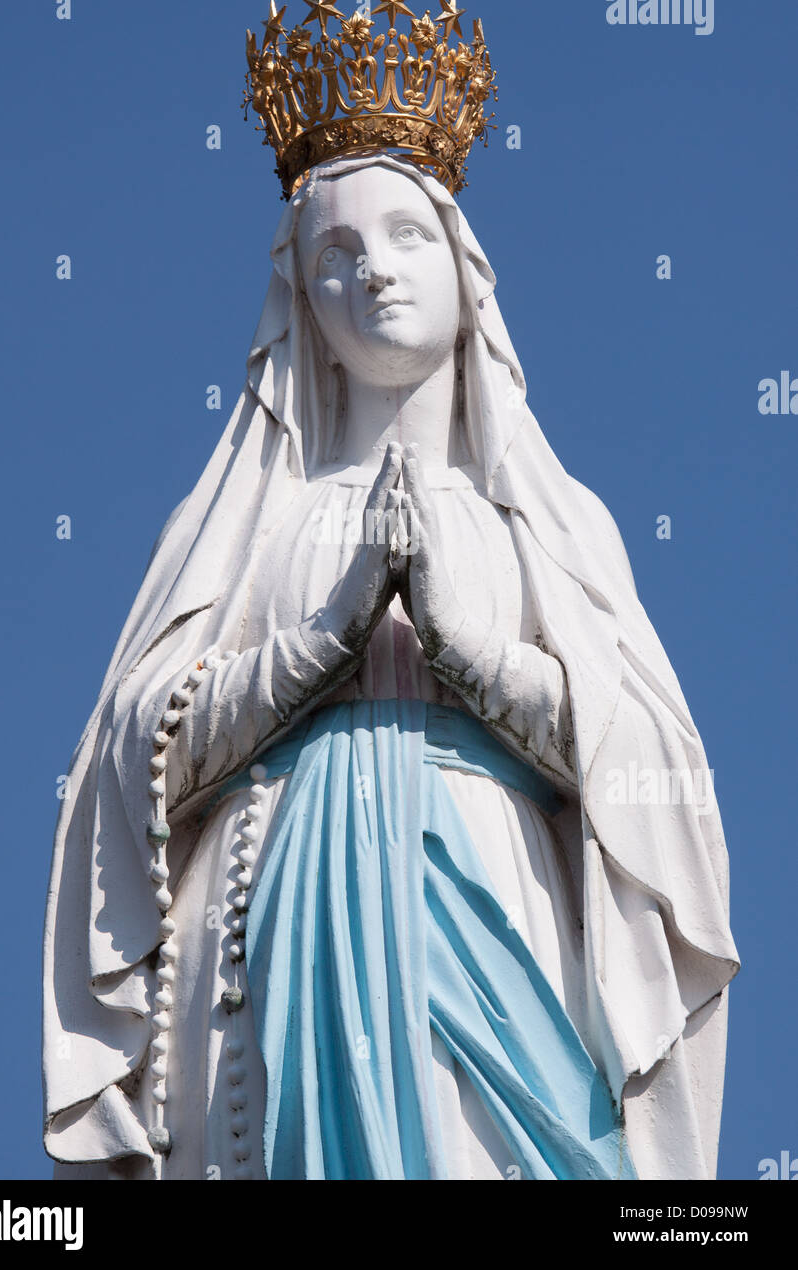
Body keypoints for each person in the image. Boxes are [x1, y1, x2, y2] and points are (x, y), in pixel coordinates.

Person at [43, 152, 738, 1180]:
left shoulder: (547, 523)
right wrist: (325, 636)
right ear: (300, 303)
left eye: (406, 236)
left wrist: (464, 647)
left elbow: (649, 771)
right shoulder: (233, 527)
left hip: (492, 891)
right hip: (265, 911)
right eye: (336, 253)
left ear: (466, 268)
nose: (372, 271)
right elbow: (130, 763)